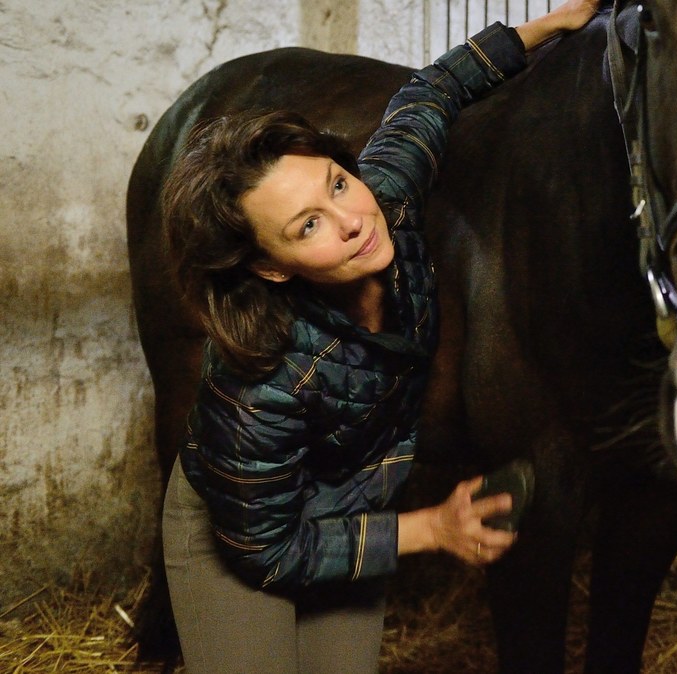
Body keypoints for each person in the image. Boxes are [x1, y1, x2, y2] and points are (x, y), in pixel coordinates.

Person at [158, 1, 599, 671]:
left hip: (348, 508)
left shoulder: (383, 202)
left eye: (338, 183)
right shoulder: (262, 376)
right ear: (271, 267)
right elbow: (270, 549)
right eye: (307, 226)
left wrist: (542, 32)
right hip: (245, 530)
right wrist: (429, 529)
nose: (349, 219)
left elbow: (431, 92)